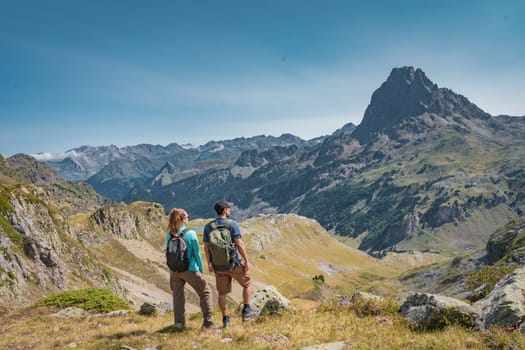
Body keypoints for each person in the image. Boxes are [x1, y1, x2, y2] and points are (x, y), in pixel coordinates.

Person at [203, 200, 259, 328]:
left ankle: (226, 320)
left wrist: (210, 263)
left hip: (218, 266)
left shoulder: (208, 227)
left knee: (222, 293)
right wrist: (246, 260)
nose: (230, 210)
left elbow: (206, 248)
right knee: (247, 283)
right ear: (225, 210)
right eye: (229, 208)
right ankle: (246, 312)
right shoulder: (232, 224)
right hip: (234, 263)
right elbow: (239, 244)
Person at [166, 208, 217, 330]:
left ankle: (179, 324)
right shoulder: (190, 234)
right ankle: (208, 323)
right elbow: (197, 254)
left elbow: (167, 253)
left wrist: (171, 272)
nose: (189, 218)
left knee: (178, 297)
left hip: (174, 271)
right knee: (205, 292)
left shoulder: (169, 235)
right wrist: (201, 270)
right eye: (187, 217)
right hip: (190, 269)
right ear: (182, 219)